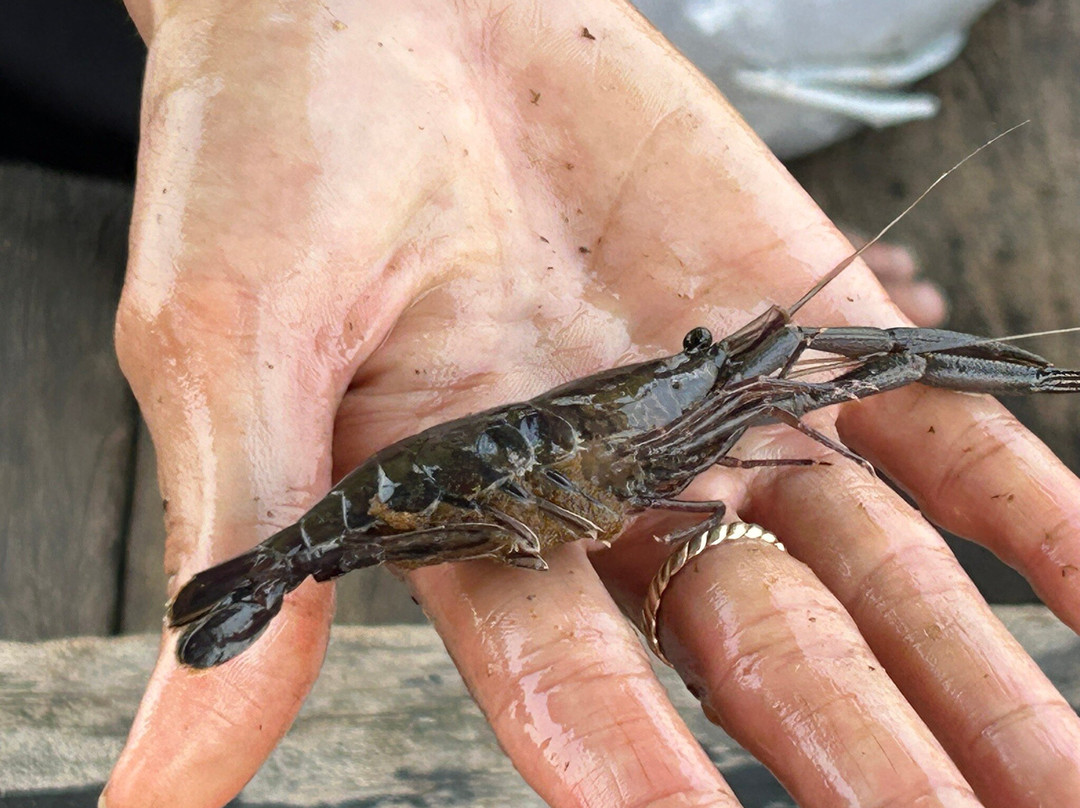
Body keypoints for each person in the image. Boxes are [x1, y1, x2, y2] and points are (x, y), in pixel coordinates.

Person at [102, 1, 1080, 806]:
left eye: (700, 354)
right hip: (405, 499)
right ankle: (273, 572)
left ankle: (1026, 368)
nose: (720, 367)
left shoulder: (688, 403)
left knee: (794, 358)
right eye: (700, 354)